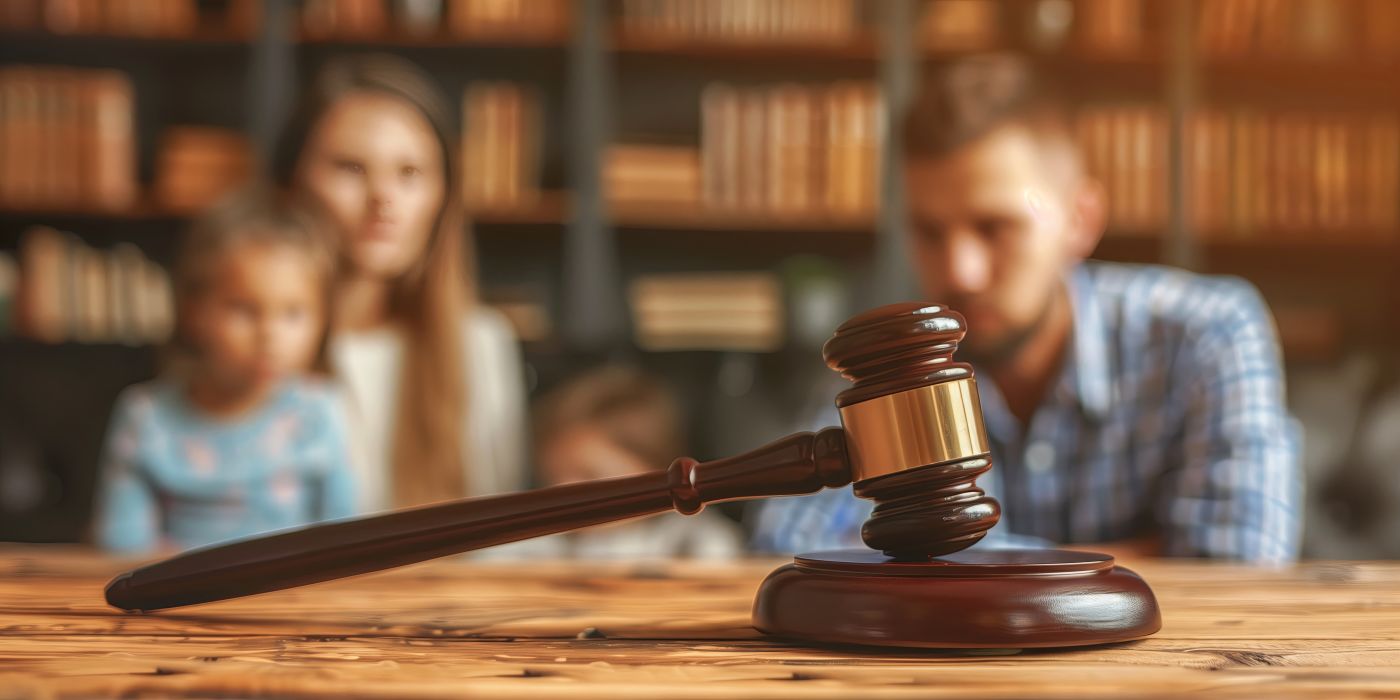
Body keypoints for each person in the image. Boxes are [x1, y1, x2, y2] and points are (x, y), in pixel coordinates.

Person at [751, 55, 1302, 564]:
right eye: (928, 231)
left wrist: (941, 563)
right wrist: (1142, 555)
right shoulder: (890, 365)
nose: (960, 271)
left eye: (996, 227)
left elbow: (1236, 565)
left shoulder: (1207, 332)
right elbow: (788, 540)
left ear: (1080, 220)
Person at [274, 54, 527, 512]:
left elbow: (496, 541)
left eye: (410, 173)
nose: (383, 200)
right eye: (350, 167)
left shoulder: (481, 345)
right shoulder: (251, 341)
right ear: (291, 183)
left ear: (442, 196)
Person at [93, 188, 356, 554]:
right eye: (245, 310)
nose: (270, 334)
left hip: (295, 603)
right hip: (175, 604)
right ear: (194, 312)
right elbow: (120, 544)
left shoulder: (318, 412)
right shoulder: (146, 417)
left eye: (293, 313)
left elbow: (346, 542)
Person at [511, 366, 743, 560]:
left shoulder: (698, 543)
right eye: (552, 476)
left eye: (589, 475)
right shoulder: (537, 547)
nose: (561, 491)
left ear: (657, 472)